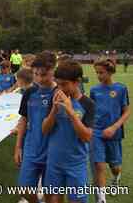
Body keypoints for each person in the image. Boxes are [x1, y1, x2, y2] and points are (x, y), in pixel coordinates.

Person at [42, 60, 95, 203]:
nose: (60, 88)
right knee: (53, 199)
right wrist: (54, 109)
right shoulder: (54, 96)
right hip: (54, 161)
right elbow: (45, 130)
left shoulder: (88, 104)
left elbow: (86, 137)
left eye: (64, 84)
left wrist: (70, 111)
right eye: (58, 84)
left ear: (77, 82)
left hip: (76, 164)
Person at [14, 51, 57, 203]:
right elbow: (24, 119)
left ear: (53, 70)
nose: (39, 78)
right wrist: (18, 147)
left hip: (53, 150)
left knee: (50, 194)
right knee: (24, 189)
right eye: (35, 74)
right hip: (32, 147)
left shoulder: (59, 93)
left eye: (43, 74)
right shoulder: (30, 92)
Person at [90, 59, 131, 202]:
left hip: (114, 133)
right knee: (99, 165)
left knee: (114, 166)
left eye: (101, 72)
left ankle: (116, 177)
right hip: (96, 132)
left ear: (110, 72)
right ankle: (102, 199)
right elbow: (92, 110)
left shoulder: (121, 89)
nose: (99, 75)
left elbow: (126, 112)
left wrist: (114, 127)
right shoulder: (94, 90)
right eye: (97, 73)